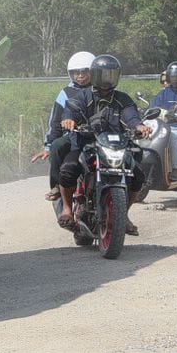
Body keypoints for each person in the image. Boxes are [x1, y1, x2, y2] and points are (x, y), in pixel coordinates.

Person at [56, 54, 151, 234]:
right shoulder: (83, 96)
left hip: (116, 146)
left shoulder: (122, 99)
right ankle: (67, 209)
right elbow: (71, 109)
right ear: (94, 75)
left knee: (138, 174)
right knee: (68, 169)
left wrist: (139, 126)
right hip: (86, 144)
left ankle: (124, 214)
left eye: (111, 75)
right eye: (103, 75)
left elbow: (131, 115)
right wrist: (68, 120)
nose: (107, 79)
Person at [32, 50, 96, 201]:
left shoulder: (102, 89)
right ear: (70, 74)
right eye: (76, 73)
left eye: (84, 72)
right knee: (57, 146)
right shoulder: (66, 93)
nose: (80, 76)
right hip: (74, 135)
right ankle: (57, 186)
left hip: (100, 135)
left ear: (94, 72)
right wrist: (48, 146)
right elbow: (55, 121)